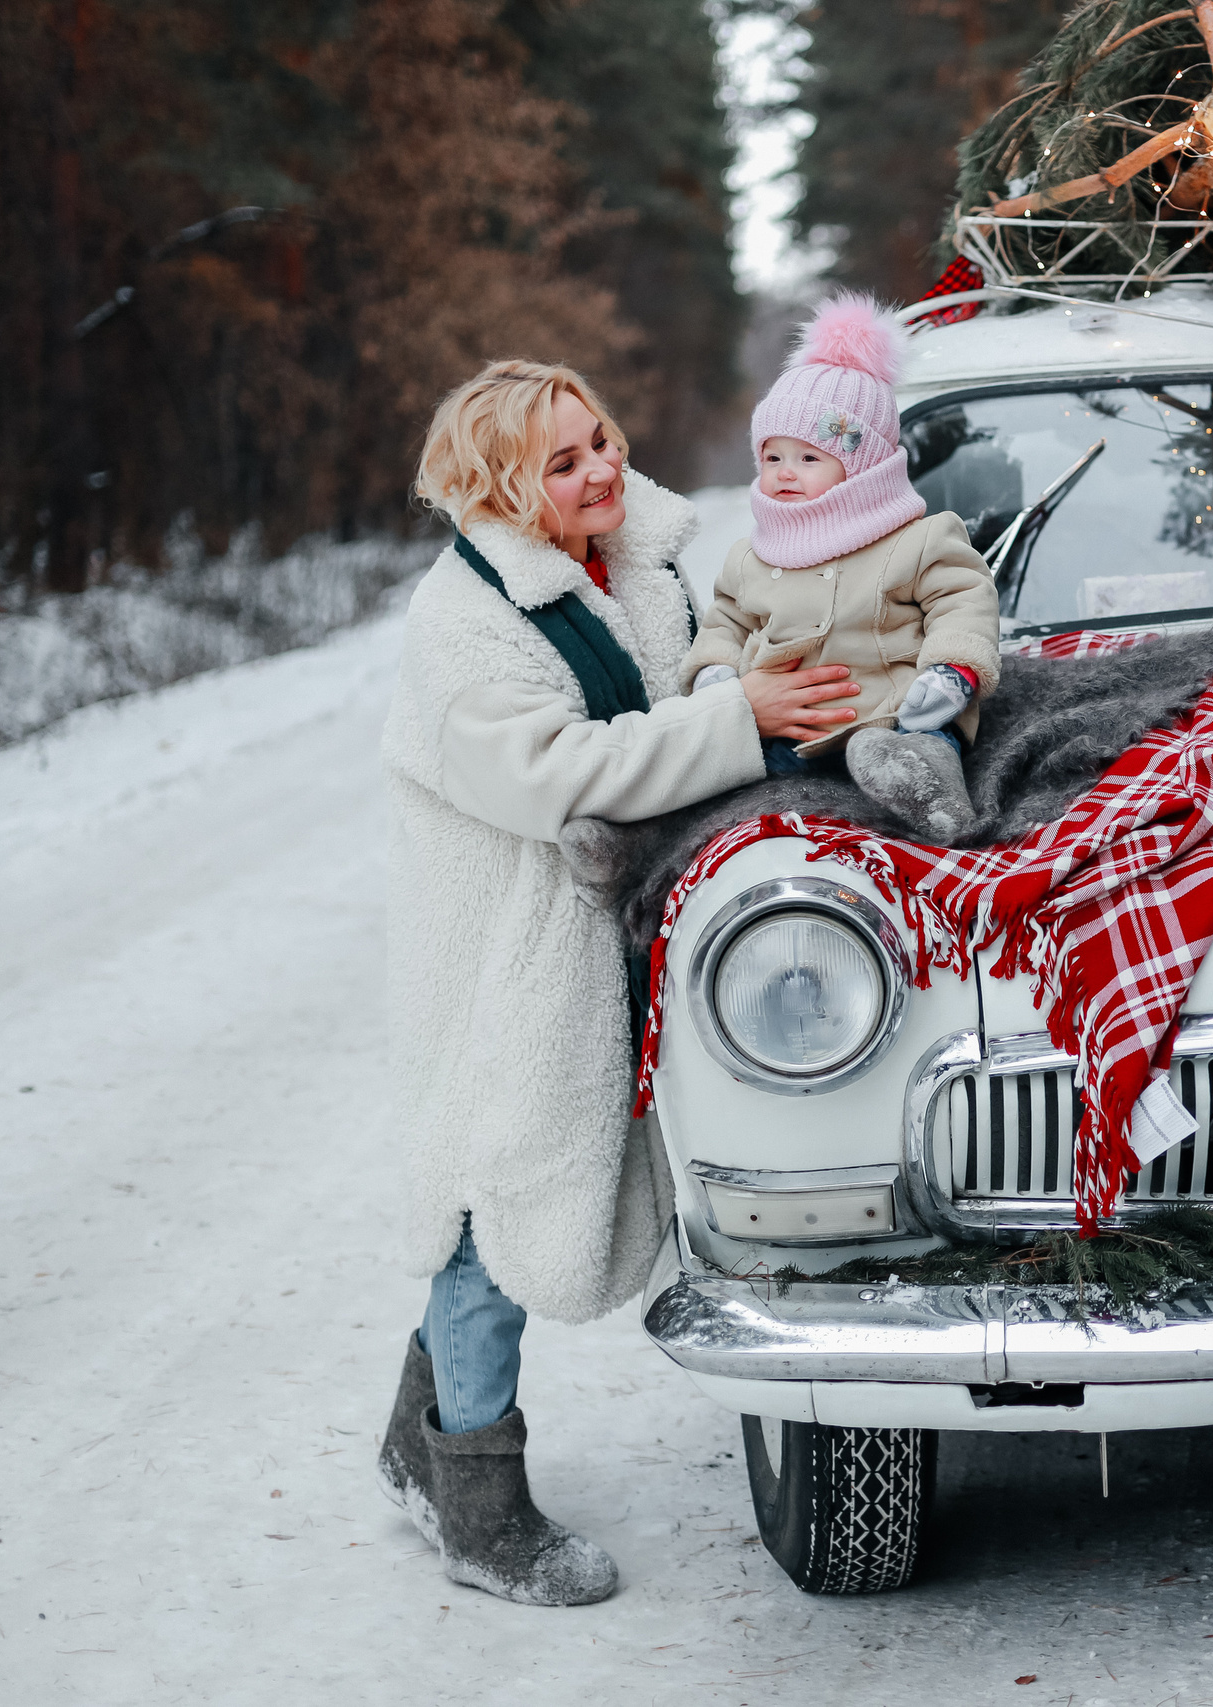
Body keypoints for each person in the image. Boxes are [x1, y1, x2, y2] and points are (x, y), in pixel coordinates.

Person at [375, 359, 859, 1604]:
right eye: (563, 461)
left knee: (538, 1188)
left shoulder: (629, 557)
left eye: (599, 441)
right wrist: (738, 719)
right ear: (496, 486)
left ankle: (412, 1440)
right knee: (499, 1204)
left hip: (612, 931)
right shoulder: (465, 623)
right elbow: (554, 774)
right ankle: (475, 1499)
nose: (600, 470)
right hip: (510, 961)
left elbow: (684, 679)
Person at [681, 293, 1002, 841]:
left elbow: (964, 601)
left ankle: (930, 794)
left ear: (863, 467)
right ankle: (639, 840)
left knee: (925, 743)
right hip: (787, 733)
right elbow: (726, 623)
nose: (785, 472)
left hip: (894, 716)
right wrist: (715, 670)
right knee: (713, 780)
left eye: (809, 458)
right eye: (773, 456)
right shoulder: (751, 554)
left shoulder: (918, 538)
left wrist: (953, 670)